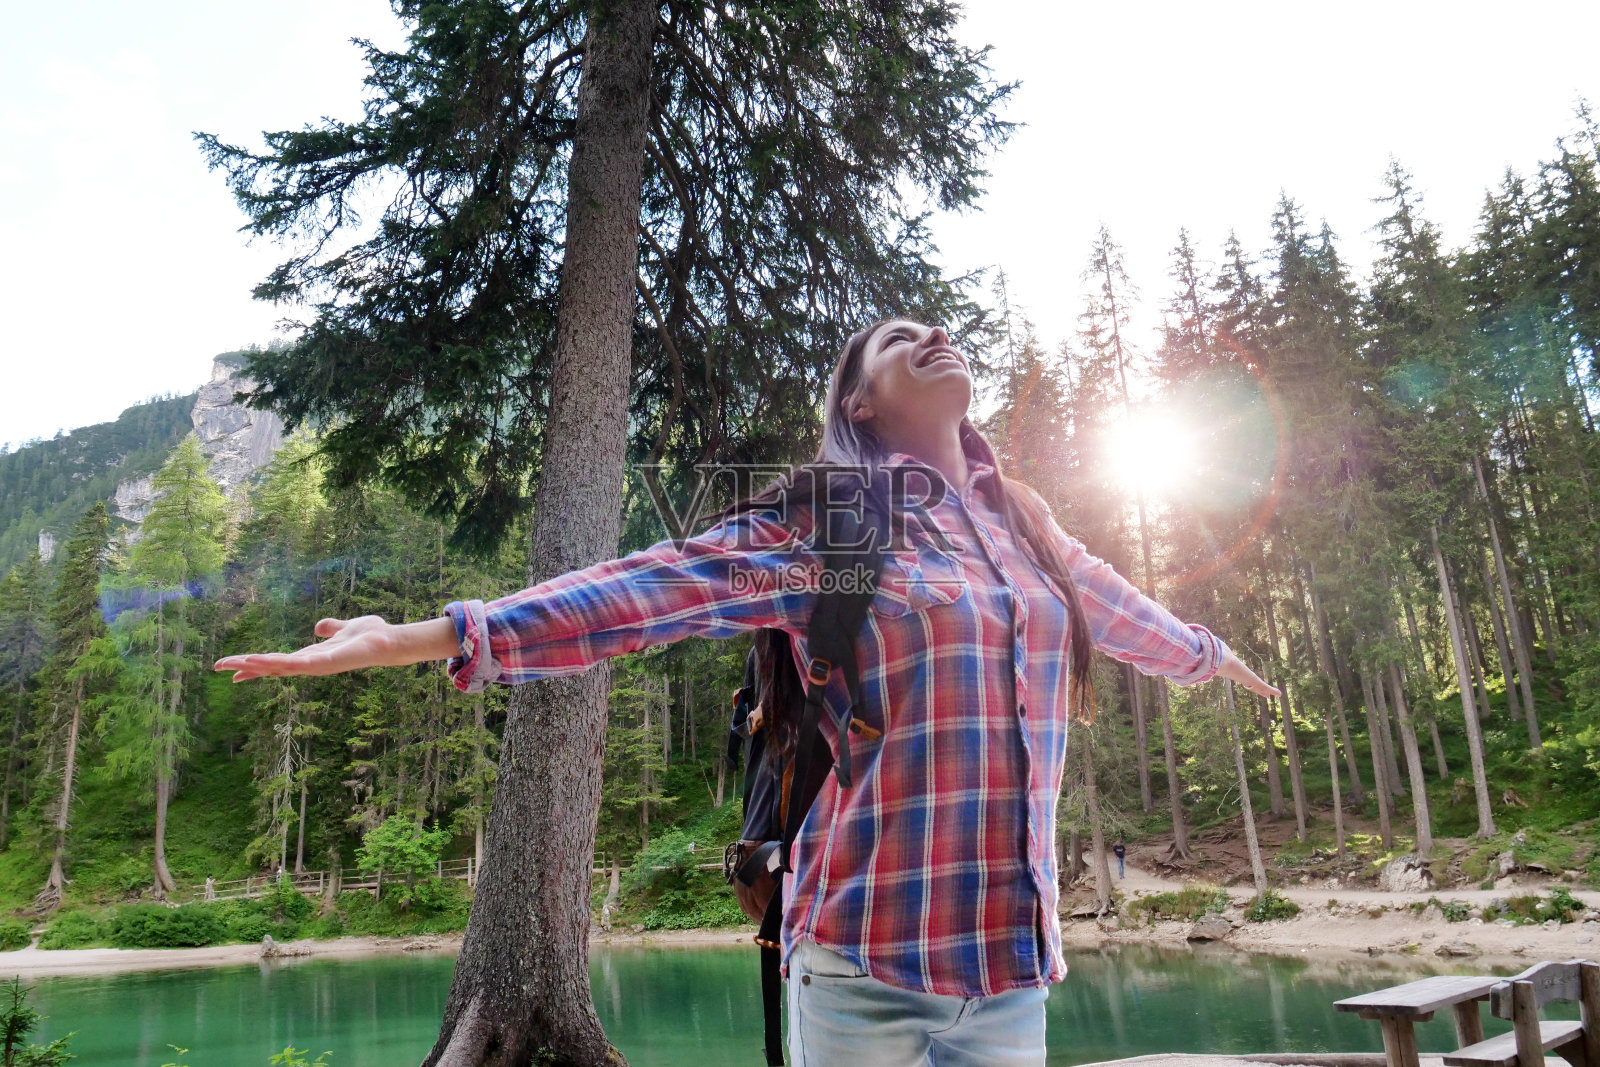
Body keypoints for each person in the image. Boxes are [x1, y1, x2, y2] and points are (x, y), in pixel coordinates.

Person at [214, 319, 1276, 1066]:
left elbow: (1113, 603)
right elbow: (650, 589)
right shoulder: (832, 524)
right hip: (865, 965)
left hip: (1010, 975)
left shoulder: (1028, 524)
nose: (928, 334)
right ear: (860, 400)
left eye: (934, 325)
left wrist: (1203, 652)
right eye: (895, 338)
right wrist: (437, 631)